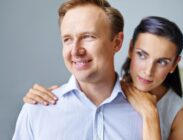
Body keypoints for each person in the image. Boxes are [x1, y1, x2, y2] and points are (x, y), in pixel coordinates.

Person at [23, 16, 183, 140]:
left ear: (174, 64)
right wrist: (48, 98)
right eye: (142, 55)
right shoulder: (112, 88)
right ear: (130, 49)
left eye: (162, 62)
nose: (148, 71)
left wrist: (150, 115)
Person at [12, 0, 143, 140]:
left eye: (87, 37)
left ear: (117, 42)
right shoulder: (36, 111)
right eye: (67, 39)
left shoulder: (145, 112)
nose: (75, 51)